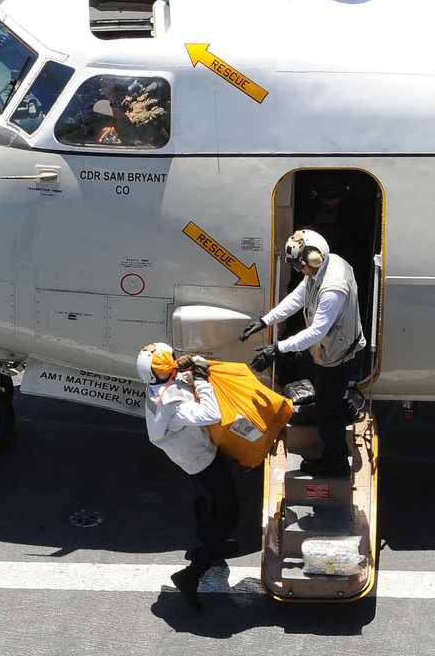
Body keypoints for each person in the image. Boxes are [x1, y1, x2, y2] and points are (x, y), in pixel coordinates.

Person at [240, 230, 366, 477]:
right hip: (327, 351)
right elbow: (298, 299)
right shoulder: (321, 268)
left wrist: (277, 349)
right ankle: (345, 403)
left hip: (336, 356)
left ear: (314, 259)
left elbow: (317, 332)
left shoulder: (333, 289)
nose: (299, 270)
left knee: (326, 413)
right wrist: (265, 321)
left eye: (300, 266)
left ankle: (335, 460)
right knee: (302, 359)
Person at [136, 342, 240, 610]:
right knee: (229, 513)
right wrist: (202, 379)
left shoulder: (156, 387)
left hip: (185, 456)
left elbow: (176, 375)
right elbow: (211, 413)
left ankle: (203, 545)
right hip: (202, 458)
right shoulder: (174, 405)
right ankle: (192, 573)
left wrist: (189, 362)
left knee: (204, 503)